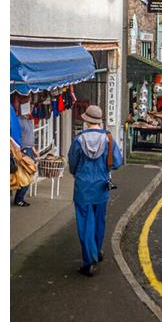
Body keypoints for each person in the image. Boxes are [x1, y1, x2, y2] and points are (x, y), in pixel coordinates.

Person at [68, 105, 122, 277]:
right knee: (99, 220)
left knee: (85, 222)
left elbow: (72, 163)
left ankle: (88, 260)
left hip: (83, 186)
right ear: (100, 121)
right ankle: (97, 251)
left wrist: (78, 172)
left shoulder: (78, 140)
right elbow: (118, 162)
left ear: (86, 120)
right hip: (101, 185)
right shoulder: (109, 139)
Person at [13, 97, 39, 207]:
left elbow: (30, 137)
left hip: (29, 149)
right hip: (23, 150)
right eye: (30, 107)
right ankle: (19, 199)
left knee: (29, 174)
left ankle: (20, 197)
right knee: (26, 175)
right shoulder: (18, 120)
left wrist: (35, 151)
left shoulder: (29, 120)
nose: (31, 109)